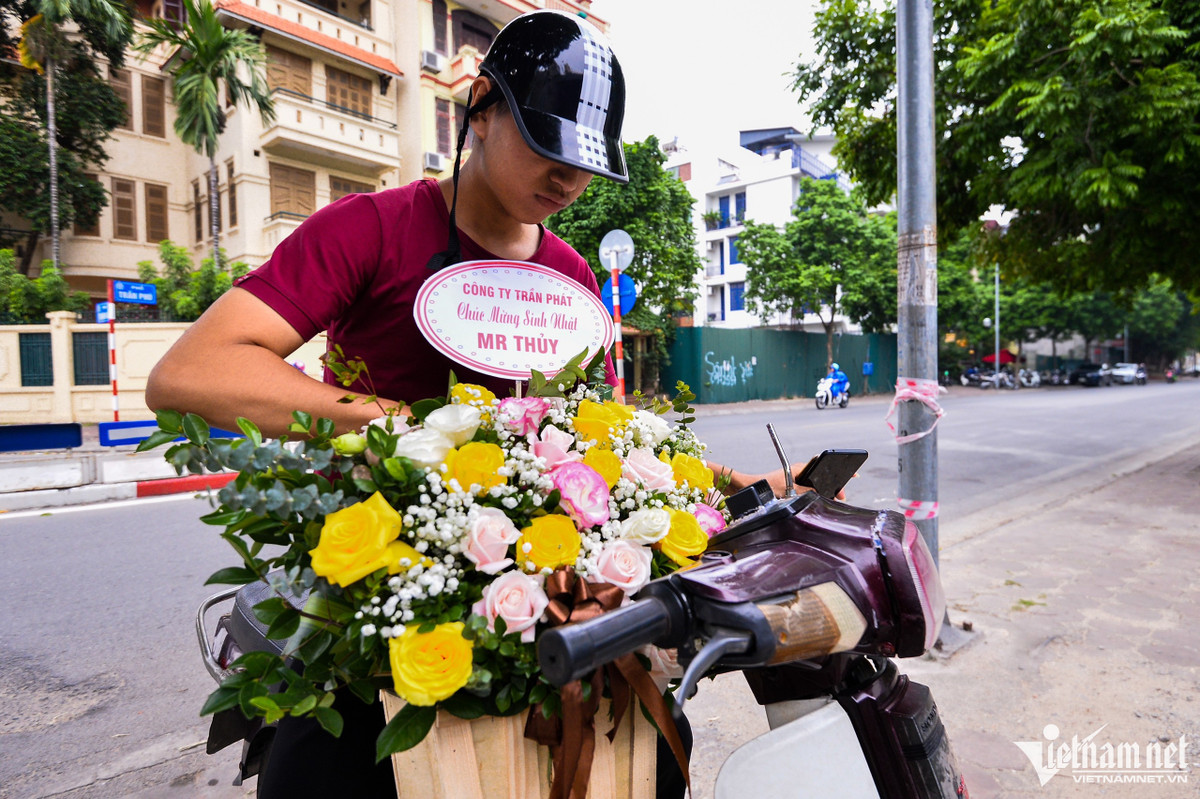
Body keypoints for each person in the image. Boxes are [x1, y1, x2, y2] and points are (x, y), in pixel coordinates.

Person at [148, 10, 809, 798]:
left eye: (584, 162)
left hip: (536, 586)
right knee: (316, 772)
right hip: (377, 584)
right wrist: (396, 427)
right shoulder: (368, 231)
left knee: (659, 758)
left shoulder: (569, 276)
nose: (566, 179)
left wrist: (741, 486)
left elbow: (585, 436)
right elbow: (191, 372)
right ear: (481, 107)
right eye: (544, 144)